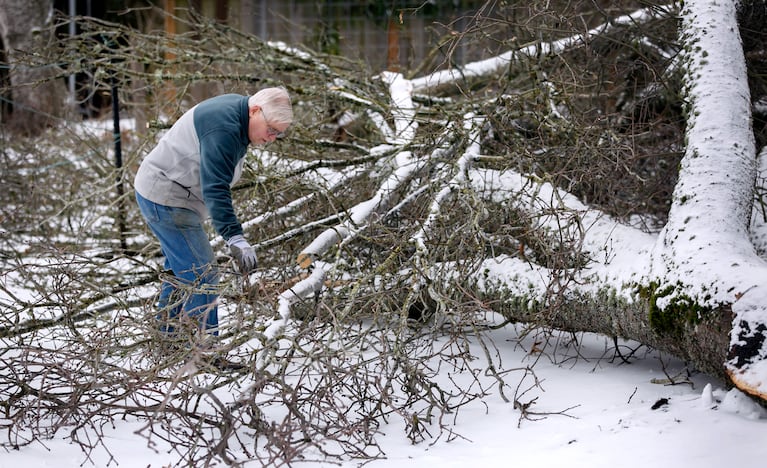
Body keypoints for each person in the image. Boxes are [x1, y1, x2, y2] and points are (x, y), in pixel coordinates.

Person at [134, 87, 293, 347]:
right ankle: (204, 351)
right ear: (255, 111)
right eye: (272, 129)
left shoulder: (238, 115)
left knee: (181, 267)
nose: (273, 137)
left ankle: (166, 337)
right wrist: (235, 236)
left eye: (279, 133)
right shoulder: (225, 129)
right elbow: (215, 188)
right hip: (165, 196)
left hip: (169, 193)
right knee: (203, 273)